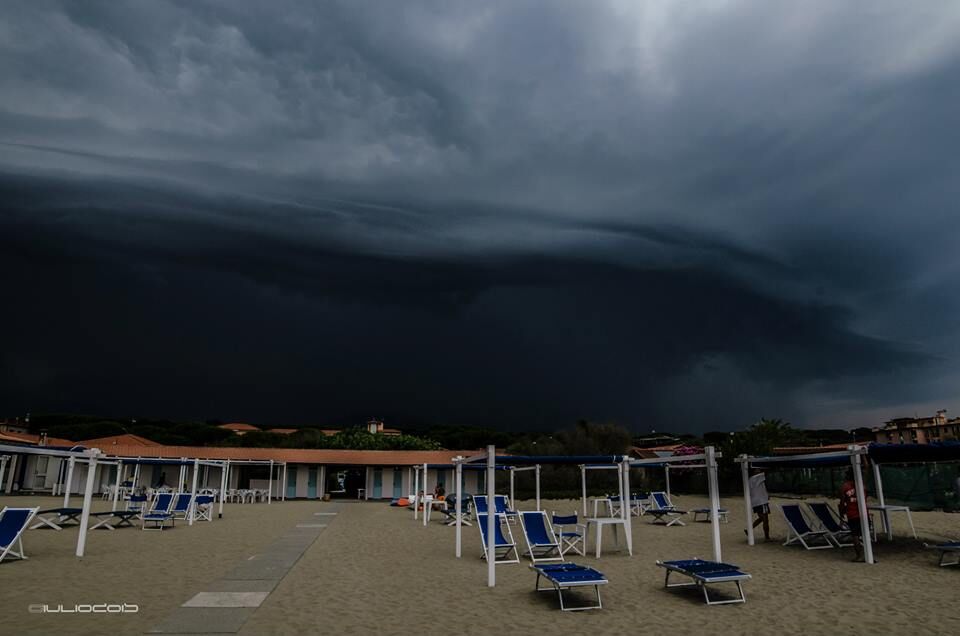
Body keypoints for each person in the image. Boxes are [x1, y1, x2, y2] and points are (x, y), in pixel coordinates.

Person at [839, 469, 865, 562]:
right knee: (863, 534)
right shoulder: (861, 484)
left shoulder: (845, 487)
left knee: (855, 535)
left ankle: (859, 555)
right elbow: (866, 469)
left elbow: (842, 503)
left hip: (853, 514)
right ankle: (865, 554)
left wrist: (842, 516)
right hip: (863, 513)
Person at [748, 467, 771, 541]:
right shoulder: (757, 477)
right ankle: (767, 537)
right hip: (761, 501)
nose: (759, 470)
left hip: (755, 502)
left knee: (762, 518)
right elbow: (767, 471)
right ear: (754, 471)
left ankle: (749, 529)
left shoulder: (750, 479)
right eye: (757, 469)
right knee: (765, 519)